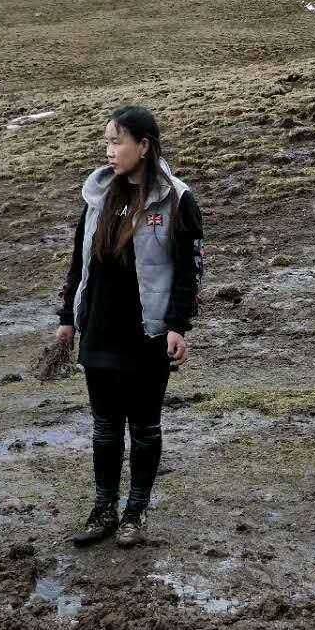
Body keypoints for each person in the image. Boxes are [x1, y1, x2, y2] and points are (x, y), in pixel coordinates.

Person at [54, 105, 204, 549]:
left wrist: (177, 325)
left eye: (116, 142)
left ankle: (135, 513)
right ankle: (103, 509)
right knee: (104, 428)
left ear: (143, 146)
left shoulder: (176, 199)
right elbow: (79, 261)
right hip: (99, 326)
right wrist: (68, 318)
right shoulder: (98, 194)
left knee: (143, 428)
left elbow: (189, 271)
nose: (109, 150)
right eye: (106, 141)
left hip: (147, 333)